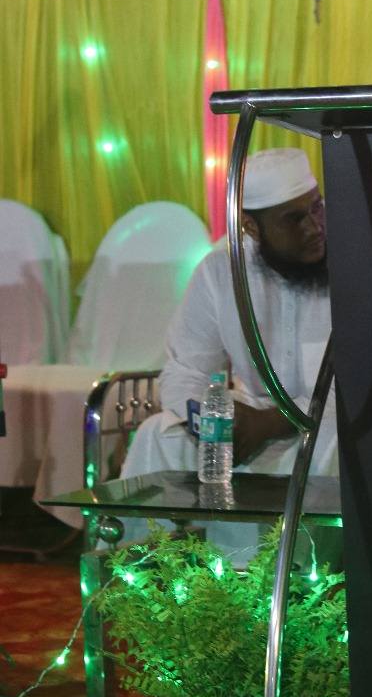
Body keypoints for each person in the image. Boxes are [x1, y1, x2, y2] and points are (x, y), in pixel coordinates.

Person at [120, 148, 336, 559]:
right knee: (158, 435)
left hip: (330, 423)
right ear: (251, 227)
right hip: (246, 424)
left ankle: (292, 582)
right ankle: (141, 569)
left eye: (316, 208)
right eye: (293, 219)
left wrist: (274, 421)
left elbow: (365, 387)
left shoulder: (355, 265)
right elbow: (184, 371)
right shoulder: (219, 273)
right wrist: (213, 421)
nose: (315, 227)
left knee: (330, 444)